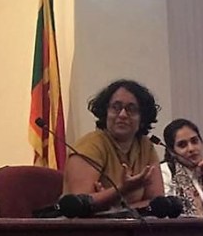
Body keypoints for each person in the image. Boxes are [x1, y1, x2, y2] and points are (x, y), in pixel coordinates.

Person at [63, 79, 164, 210]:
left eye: (131, 109)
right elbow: (79, 204)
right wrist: (122, 190)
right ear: (105, 112)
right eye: (116, 107)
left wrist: (114, 205)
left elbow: (157, 202)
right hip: (83, 228)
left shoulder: (145, 146)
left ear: (142, 117)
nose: (122, 115)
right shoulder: (90, 145)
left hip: (131, 227)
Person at [161, 118, 203, 216]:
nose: (191, 148)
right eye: (182, 145)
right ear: (172, 151)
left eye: (194, 141)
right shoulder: (165, 172)